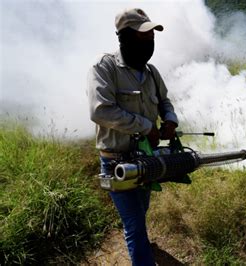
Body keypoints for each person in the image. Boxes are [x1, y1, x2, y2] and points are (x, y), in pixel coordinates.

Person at [87, 8, 178, 266]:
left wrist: (170, 119)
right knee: (135, 226)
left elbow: (165, 101)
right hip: (116, 162)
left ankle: (140, 242)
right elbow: (100, 110)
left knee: (141, 212)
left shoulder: (151, 72)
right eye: (143, 36)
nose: (150, 42)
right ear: (124, 38)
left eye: (152, 37)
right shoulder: (104, 67)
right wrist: (145, 126)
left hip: (146, 159)